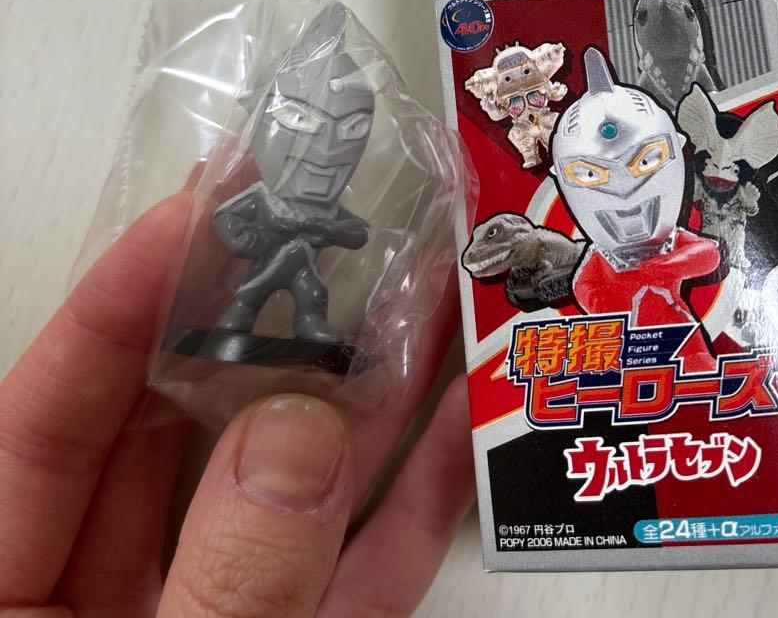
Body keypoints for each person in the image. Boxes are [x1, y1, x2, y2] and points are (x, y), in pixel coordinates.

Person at [0, 192, 475, 617]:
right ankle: (242, 319)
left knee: (309, 292)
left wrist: (327, 226)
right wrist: (248, 236)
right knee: (255, 292)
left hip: (300, 266)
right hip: (268, 263)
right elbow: (228, 218)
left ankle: (299, 324)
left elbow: (356, 232)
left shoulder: (321, 203)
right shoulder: (265, 194)